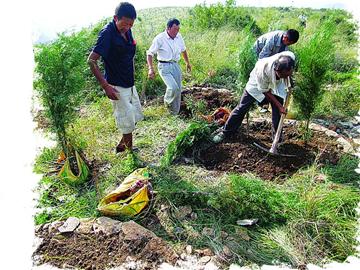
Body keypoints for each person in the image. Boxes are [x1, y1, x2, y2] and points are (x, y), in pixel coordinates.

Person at [87, 2, 143, 153]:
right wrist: (105, 86)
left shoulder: (127, 30)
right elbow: (91, 60)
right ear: (115, 18)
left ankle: (122, 145)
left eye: (131, 25)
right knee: (126, 120)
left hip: (129, 82)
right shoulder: (107, 33)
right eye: (124, 24)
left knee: (134, 115)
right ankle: (130, 154)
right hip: (116, 84)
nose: (127, 28)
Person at [212, 51, 296, 144]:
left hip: (277, 87)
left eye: (286, 75)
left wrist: (289, 79)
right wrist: (280, 106)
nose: (282, 77)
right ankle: (226, 131)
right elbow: (265, 91)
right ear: (276, 70)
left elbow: (288, 75)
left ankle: (277, 141)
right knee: (242, 108)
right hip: (256, 85)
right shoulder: (263, 69)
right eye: (280, 75)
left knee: (277, 114)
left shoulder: (290, 57)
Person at [146, 18, 192, 115]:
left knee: (178, 89)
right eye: (175, 29)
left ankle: (174, 113)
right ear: (168, 28)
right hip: (164, 66)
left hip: (175, 65)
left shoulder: (179, 37)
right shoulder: (160, 38)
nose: (177, 31)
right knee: (173, 88)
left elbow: (183, 50)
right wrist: (150, 69)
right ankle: (167, 102)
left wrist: (187, 63)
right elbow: (150, 53)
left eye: (178, 29)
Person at [253, 29, 299, 113]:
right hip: (260, 53)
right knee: (260, 81)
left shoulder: (285, 44)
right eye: (289, 43)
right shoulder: (272, 39)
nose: (289, 45)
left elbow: (283, 62)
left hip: (271, 58)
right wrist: (269, 70)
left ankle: (272, 100)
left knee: (274, 79)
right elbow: (262, 57)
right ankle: (261, 103)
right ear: (285, 38)